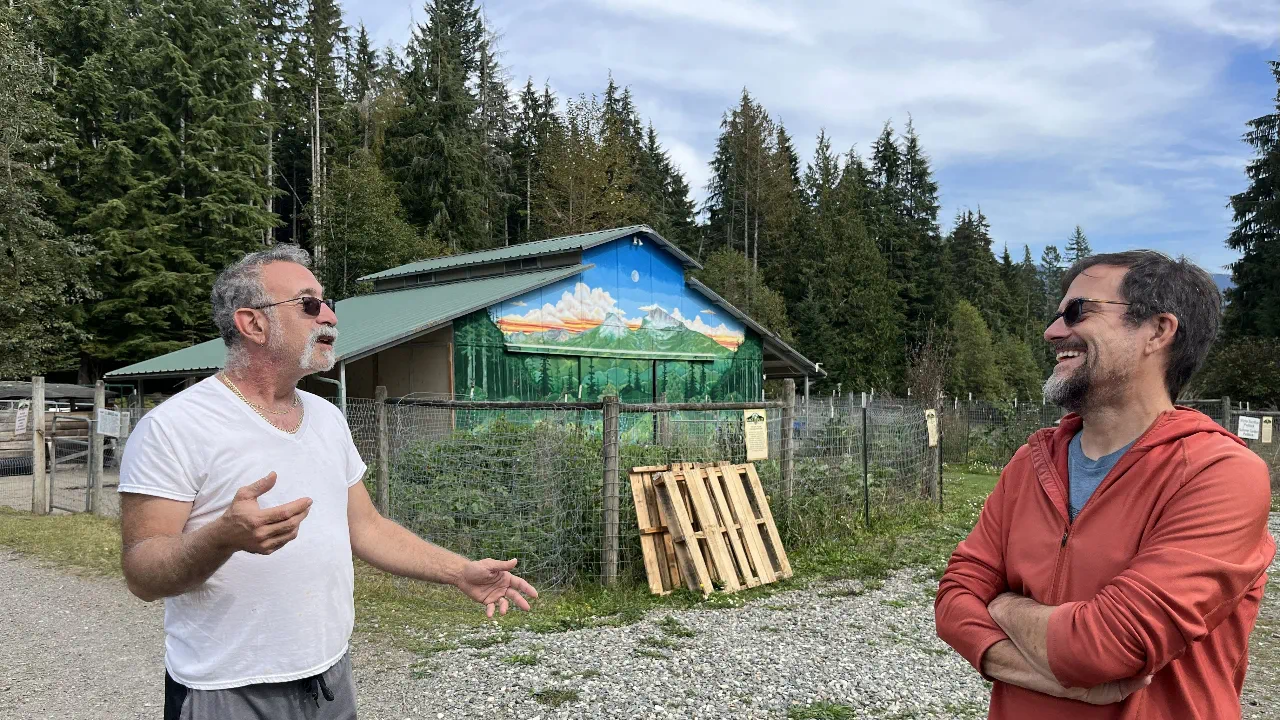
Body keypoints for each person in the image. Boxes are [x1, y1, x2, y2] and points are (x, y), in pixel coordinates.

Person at [118, 245, 538, 720]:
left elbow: (368, 528)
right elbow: (143, 572)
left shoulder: (326, 416)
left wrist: (459, 572)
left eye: (326, 299)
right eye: (309, 303)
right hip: (227, 689)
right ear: (252, 324)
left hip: (329, 678)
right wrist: (222, 538)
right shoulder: (173, 426)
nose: (330, 315)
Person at [935, 250, 1274, 719]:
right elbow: (953, 599)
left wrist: (1003, 607)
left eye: (1078, 311)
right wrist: (1049, 676)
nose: (1053, 332)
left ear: (1158, 331)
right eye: (1057, 315)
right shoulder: (1031, 463)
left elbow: (1108, 647)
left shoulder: (1219, 473)